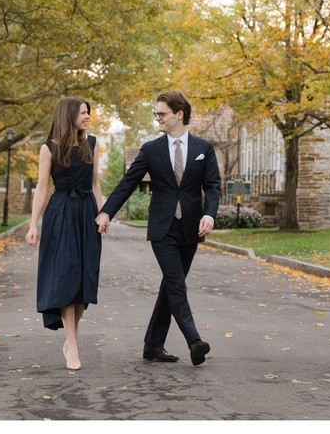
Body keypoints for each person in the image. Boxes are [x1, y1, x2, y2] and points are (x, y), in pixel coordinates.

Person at [96, 90, 221, 365]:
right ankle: (194, 341)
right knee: (176, 285)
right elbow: (127, 183)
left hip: (192, 229)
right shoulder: (151, 149)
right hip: (162, 229)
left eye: (162, 114)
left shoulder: (203, 148)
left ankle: (153, 345)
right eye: (156, 114)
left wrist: (210, 214)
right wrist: (106, 212)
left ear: (179, 114)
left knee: (171, 286)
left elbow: (212, 186)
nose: (157, 119)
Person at [26, 97, 103, 371]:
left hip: (86, 214)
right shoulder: (49, 149)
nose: (87, 117)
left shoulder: (92, 145)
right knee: (64, 276)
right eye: (83, 112)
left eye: (88, 113)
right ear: (69, 114)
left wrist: (102, 215)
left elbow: (95, 185)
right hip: (60, 214)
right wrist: (33, 224)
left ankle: (72, 335)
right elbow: (42, 188)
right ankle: (71, 342)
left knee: (84, 277)